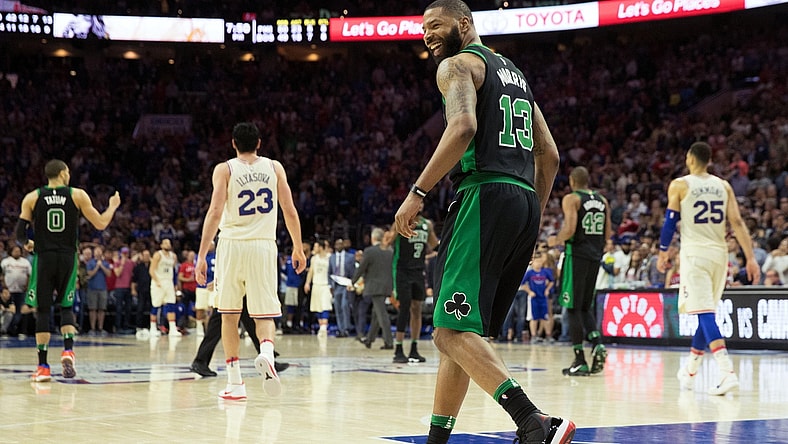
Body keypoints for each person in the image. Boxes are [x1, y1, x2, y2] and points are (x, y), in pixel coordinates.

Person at [393, 2, 574, 443]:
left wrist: (417, 192)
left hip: (483, 195)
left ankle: (532, 421)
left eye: (435, 26)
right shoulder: (514, 73)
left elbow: (462, 127)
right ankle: (438, 440)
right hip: (523, 200)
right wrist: (529, 211)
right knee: (459, 331)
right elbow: (548, 155)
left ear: (465, 24)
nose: (427, 35)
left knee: (451, 330)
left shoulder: (457, 66)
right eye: (423, 29)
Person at [195, 122, 305, 401]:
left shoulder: (225, 169)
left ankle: (236, 384)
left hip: (232, 245)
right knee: (264, 313)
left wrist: (202, 255)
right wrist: (298, 248)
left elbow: (215, 210)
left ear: (233, 143)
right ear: (259, 143)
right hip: (264, 246)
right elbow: (290, 211)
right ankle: (266, 352)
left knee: (229, 315)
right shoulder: (275, 167)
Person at [658, 141, 760, 396]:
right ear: (709, 160)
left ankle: (726, 372)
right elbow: (736, 221)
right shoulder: (723, 185)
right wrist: (750, 257)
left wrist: (662, 251)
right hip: (719, 255)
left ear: (690, 159)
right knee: (706, 313)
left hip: (695, 254)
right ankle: (690, 370)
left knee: (704, 314)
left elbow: (670, 221)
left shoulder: (680, 184)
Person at [17, 159, 120, 381]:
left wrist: (28, 244)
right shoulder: (77, 195)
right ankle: (67, 350)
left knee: (43, 311)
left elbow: (19, 233)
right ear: (63, 173)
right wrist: (112, 206)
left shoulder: (33, 197)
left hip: (44, 258)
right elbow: (101, 224)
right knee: (66, 306)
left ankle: (43, 367)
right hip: (68, 257)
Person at [551, 166, 612, 376]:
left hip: (576, 256)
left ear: (571, 181)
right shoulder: (602, 201)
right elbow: (608, 233)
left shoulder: (572, 198)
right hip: (594, 256)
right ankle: (597, 344)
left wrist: (554, 240)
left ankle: (579, 360)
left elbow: (569, 230)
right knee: (585, 307)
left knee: (572, 307)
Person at [391, 200, 438, 363]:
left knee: (417, 308)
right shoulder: (401, 219)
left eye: (422, 203)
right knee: (404, 308)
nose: (419, 205)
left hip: (419, 271)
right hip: (402, 271)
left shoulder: (427, 224)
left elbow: (435, 246)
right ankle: (398, 348)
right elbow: (387, 241)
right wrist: (399, 228)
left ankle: (414, 348)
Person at [354, 227, 394, 350]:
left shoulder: (369, 251)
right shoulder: (390, 250)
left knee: (381, 314)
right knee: (376, 314)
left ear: (373, 238)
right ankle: (369, 339)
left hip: (375, 287)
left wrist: (352, 281)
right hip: (387, 285)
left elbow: (361, 268)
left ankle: (389, 341)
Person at [149, 238, 179, 337]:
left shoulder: (173, 256)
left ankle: (173, 328)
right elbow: (151, 270)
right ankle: (152, 328)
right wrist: (157, 281)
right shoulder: (158, 255)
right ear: (161, 245)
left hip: (169, 282)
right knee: (156, 305)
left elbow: (174, 271)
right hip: (159, 282)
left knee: (171, 304)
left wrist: (175, 284)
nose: (167, 244)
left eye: (169, 243)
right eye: (165, 243)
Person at [1, 245, 32, 337]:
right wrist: (4, 286)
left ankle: (13, 329)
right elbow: (2, 275)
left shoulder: (25, 262)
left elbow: (29, 275)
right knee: (11, 311)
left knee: (21, 311)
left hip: (21, 290)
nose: (17, 252)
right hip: (8, 291)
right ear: (11, 251)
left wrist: (27, 285)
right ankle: (6, 330)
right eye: (15, 250)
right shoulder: (5, 262)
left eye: (18, 251)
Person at [523, 253, 554, 343]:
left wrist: (547, 289)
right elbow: (522, 284)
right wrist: (529, 292)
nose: (539, 263)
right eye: (537, 261)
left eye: (540, 261)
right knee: (534, 318)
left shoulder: (545, 272)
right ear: (533, 263)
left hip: (543, 297)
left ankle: (548, 335)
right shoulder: (530, 273)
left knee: (545, 317)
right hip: (533, 298)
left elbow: (552, 281)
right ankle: (533, 336)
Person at [328, 238, 355, 337]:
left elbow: (353, 272)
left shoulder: (350, 257)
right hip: (336, 285)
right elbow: (329, 272)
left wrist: (352, 283)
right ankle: (341, 329)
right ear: (335, 246)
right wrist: (330, 285)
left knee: (345, 305)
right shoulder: (332, 257)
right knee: (337, 307)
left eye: (340, 244)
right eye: (337, 244)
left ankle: (347, 328)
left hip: (346, 284)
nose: (339, 245)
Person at [305, 240, 332, 337]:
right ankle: (321, 326)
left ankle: (324, 327)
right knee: (317, 306)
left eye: (316, 247)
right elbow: (310, 272)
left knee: (325, 305)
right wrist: (307, 283)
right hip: (316, 284)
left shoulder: (329, 257)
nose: (314, 249)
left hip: (325, 284)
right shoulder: (314, 259)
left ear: (320, 247)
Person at [85, 245, 111, 336]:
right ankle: (92, 328)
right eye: (96, 251)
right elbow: (90, 274)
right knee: (92, 309)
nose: (98, 253)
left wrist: (102, 266)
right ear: (94, 253)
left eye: (100, 251)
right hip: (92, 288)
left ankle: (100, 328)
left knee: (102, 309)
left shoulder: (106, 263)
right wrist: (97, 267)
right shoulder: (90, 263)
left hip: (103, 288)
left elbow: (109, 274)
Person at [193, 243, 216, 337]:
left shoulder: (218, 255)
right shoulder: (200, 256)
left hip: (214, 286)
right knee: (200, 308)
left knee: (212, 307)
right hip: (202, 286)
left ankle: (209, 329)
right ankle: (199, 328)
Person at [113, 246, 135, 334]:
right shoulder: (117, 263)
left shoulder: (131, 263)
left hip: (128, 287)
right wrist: (122, 263)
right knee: (119, 308)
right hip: (119, 288)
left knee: (128, 308)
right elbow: (117, 274)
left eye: (126, 253)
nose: (125, 255)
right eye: (123, 253)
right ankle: (118, 326)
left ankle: (126, 325)